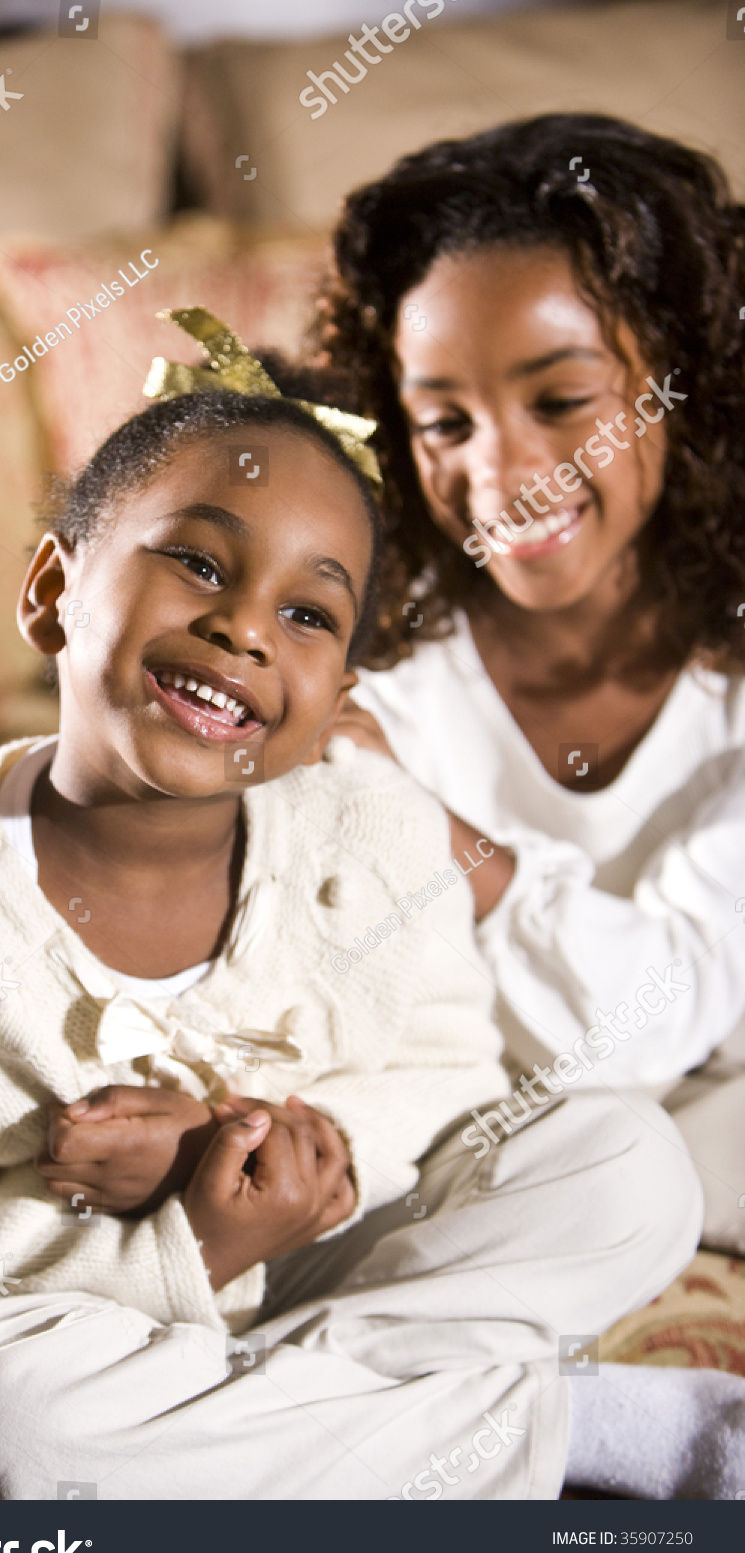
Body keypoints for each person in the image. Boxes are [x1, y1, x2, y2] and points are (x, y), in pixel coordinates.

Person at [0, 313, 738, 1502]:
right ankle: (567, 1429)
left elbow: (451, 1092)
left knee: (627, 1166)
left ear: (338, 693)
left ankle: (250, 1431)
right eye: (196, 560)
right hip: (71, 1310)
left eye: (308, 613)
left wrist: (230, 1156)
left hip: (336, 1251)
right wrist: (192, 1235)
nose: (243, 626)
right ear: (53, 591)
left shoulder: (374, 821)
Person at [319, 114, 745, 1255]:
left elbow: (646, 1024)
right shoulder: (378, 674)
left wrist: (409, 813)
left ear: (685, 385)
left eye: (560, 402)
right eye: (443, 421)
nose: (497, 477)